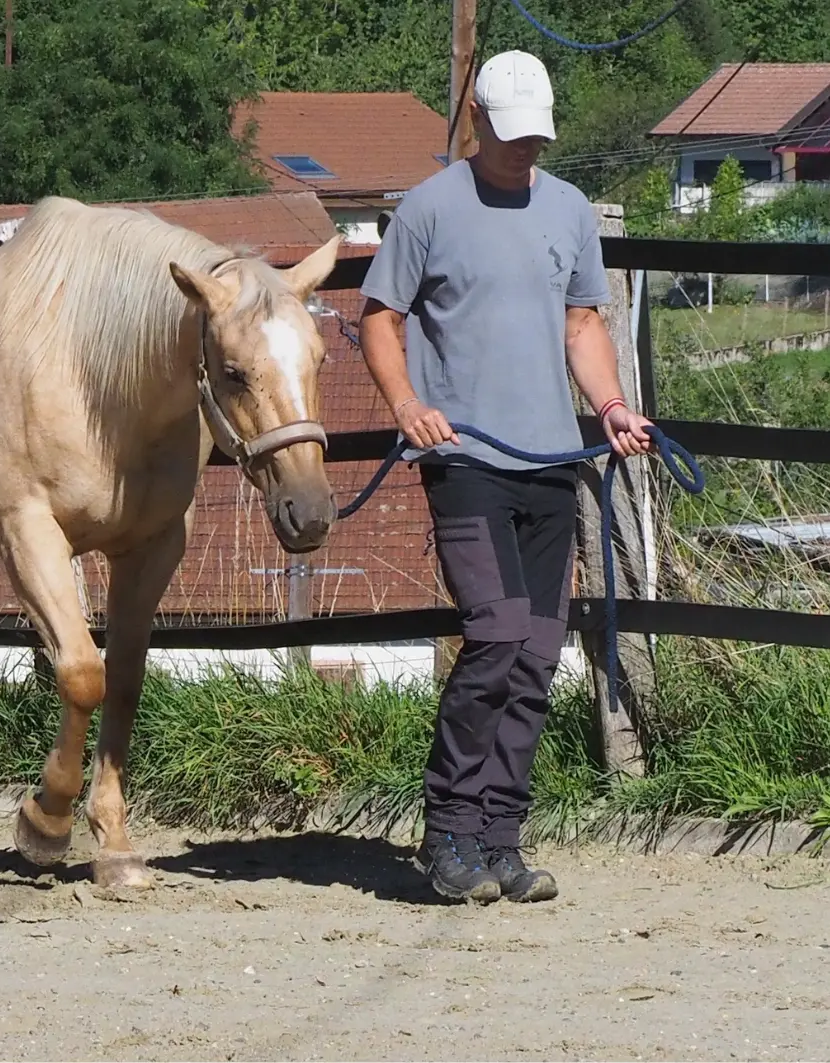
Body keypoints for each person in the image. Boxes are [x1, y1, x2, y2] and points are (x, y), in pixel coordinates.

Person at [357, 50, 655, 904]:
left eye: (538, 137)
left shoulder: (565, 209)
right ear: (477, 121)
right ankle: (447, 826)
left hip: (550, 461)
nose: (527, 150)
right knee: (493, 635)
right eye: (512, 134)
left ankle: (500, 835)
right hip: (466, 463)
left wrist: (610, 407)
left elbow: (582, 325)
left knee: (534, 654)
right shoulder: (429, 209)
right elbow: (380, 319)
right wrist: (409, 404)